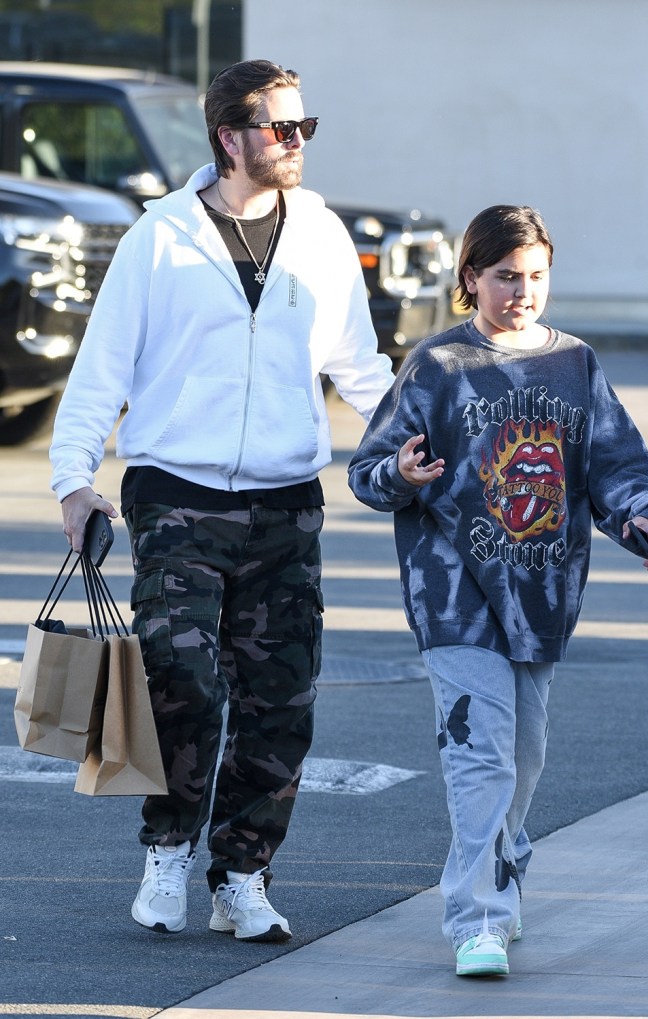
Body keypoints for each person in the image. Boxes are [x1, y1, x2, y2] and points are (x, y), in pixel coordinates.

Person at [49, 59, 394, 942]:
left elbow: (359, 366)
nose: (295, 143)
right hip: (177, 499)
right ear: (229, 136)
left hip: (285, 502)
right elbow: (101, 371)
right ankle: (169, 846)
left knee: (282, 701)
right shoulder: (159, 237)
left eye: (303, 128)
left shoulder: (318, 233)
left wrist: (414, 436)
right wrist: (72, 479)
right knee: (183, 681)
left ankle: (242, 871)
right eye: (281, 129)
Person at [347, 205, 648, 977]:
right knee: (481, 756)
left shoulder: (575, 365)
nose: (522, 292)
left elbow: (614, 463)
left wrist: (643, 517)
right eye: (504, 277)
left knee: (524, 756)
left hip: (542, 594)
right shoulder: (437, 365)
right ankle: (478, 918)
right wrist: (401, 474)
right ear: (471, 278)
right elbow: (369, 468)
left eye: (534, 276)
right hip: (453, 592)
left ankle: (502, 860)